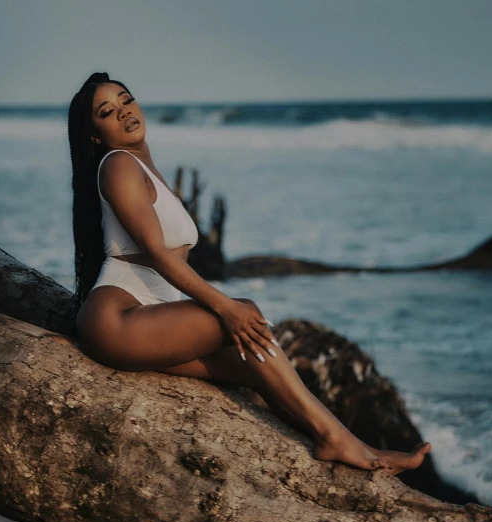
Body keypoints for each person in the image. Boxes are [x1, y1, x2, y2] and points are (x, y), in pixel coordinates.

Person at [68, 71, 431, 476]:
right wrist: (226, 308)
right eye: (107, 112)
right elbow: (156, 254)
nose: (124, 112)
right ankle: (341, 441)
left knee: (255, 361)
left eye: (126, 99)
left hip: (149, 315)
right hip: (117, 321)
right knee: (247, 314)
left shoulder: (141, 166)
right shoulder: (117, 165)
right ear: (95, 134)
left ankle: (342, 442)